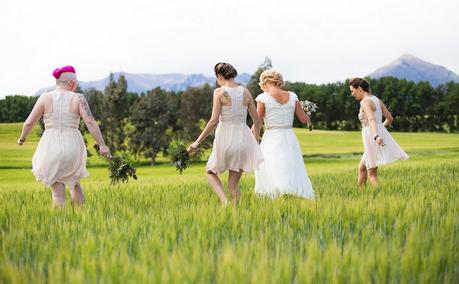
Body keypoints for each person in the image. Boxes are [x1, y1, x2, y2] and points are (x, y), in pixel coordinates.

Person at [17, 65, 110, 207]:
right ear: (72, 83)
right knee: (74, 183)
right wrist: (102, 145)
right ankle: (80, 219)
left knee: (58, 194)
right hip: (72, 146)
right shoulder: (79, 98)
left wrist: (22, 138)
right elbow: (90, 122)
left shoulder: (45, 97)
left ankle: (59, 221)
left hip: (50, 146)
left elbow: (29, 123)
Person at [188, 62, 263, 205]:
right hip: (243, 141)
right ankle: (236, 213)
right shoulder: (246, 92)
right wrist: (255, 142)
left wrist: (197, 142)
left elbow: (213, 121)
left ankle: (225, 202)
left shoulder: (219, 92)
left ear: (220, 77)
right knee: (233, 185)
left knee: (210, 171)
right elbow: (258, 121)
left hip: (225, 140)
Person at [253, 70, 314, 199]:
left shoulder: (263, 98)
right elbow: (304, 119)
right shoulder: (292, 96)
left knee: (273, 164)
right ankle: (291, 192)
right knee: (290, 164)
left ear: (265, 81)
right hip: (289, 135)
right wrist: (308, 112)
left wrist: (251, 137)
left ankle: (277, 193)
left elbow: (257, 121)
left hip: (272, 136)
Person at [349, 77, 409, 186]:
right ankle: (359, 193)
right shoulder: (377, 99)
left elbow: (371, 119)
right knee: (362, 167)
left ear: (360, 89)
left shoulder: (364, 102)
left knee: (371, 173)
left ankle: (380, 195)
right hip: (375, 134)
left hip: (371, 136)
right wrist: (380, 129)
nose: (352, 94)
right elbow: (390, 118)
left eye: (352, 91)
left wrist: (376, 135)